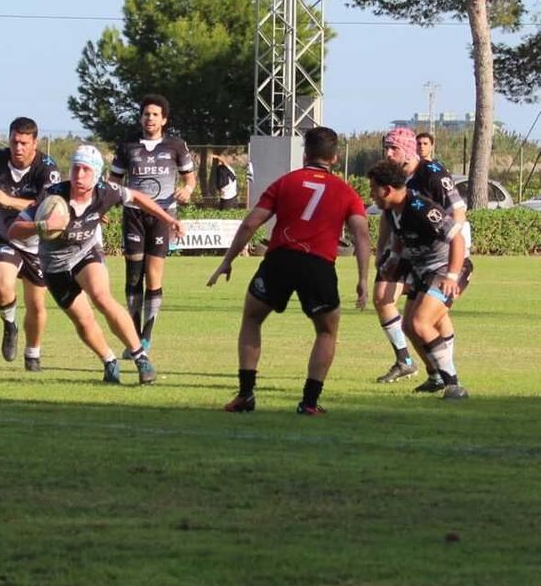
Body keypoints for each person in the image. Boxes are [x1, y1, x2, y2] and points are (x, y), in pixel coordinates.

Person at [207, 126, 370, 415]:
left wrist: (227, 260)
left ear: (305, 154)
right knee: (326, 331)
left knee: (252, 319)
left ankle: (246, 395)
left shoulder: (286, 182)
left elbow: (250, 223)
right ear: (335, 157)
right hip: (318, 266)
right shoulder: (346, 192)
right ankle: (309, 402)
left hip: (280, 261)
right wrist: (362, 279)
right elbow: (361, 235)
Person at [9, 145, 184, 384]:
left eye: (86, 170)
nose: (79, 175)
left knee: (102, 297)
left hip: (85, 253)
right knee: (83, 319)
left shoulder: (106, 192)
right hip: (54, 265)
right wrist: (42, 226)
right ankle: (109, 361)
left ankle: (141, 358)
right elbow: (13, 230)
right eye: (75, 168)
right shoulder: (52, 196)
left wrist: (168, 219)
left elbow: (138, 197)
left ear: (97, 174)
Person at [109, 93, 197, 380]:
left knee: (154, 274)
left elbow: (189, 178)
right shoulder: (127, 146)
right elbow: (114, 181)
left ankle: (146, 337)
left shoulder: (175, 146)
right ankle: (132, 336)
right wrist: (102, 206)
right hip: (133, 215)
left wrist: (188, 190)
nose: (150, 118)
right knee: (134, 276)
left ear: (164, 120)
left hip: (162, 216)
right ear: (141, 117)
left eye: (155, 114)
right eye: (146, 114)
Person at [367, 160, 471, 400]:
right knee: (409, 326)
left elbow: (457, 239)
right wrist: (393, 256)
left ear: (388, 189)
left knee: (421, 323)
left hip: (448, 268)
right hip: (425, 271)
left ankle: (454, 385)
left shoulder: (419, 207)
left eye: (374, 188)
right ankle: (435, 377)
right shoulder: (392, 210)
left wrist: (453, 275)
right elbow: (401, 236)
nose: (371, 194)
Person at [0, 116, 62, 372]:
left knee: (36, 304)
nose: (19, 148)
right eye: (15, 142)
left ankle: (32, 354)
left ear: (35, 143)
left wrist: (9, 200)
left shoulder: (48, 168)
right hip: (6, 236)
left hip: (38, 242)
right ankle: (9, 323)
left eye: (25, 143)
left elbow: (45, 208)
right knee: (3, 288)